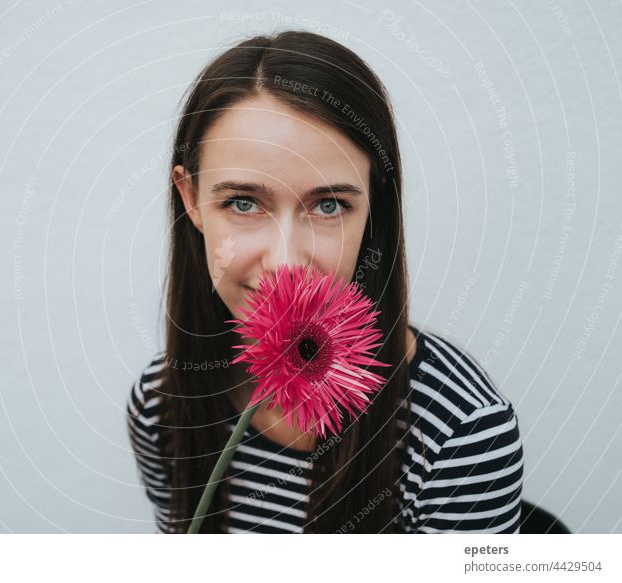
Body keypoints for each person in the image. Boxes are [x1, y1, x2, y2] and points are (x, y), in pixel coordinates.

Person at [126, 30, 523, 533]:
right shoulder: (162, 404)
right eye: (243, 202)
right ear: (191, 200)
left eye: (329, 205)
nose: (287, 262)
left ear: (374, 208)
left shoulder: (462, 433)